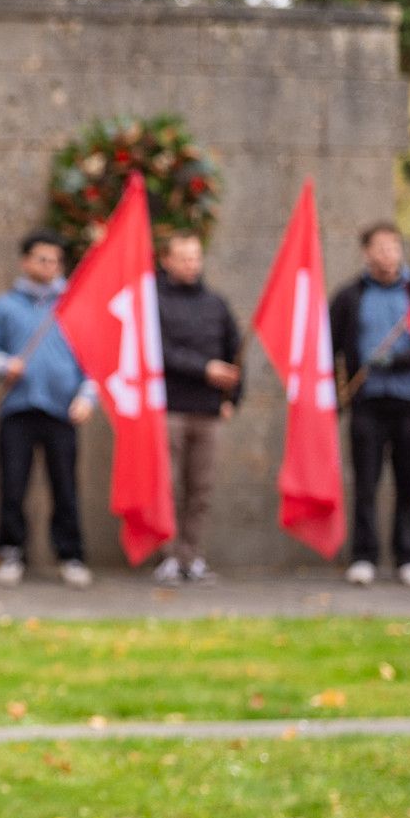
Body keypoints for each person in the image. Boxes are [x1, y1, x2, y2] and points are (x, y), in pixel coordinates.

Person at [0, 231, 98, 589]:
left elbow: (94, 358)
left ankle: (71, 555)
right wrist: (3, 365)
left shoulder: (74, 304)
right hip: (18, 409)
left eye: (55, 260)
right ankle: (11, 551)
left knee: (65, 486)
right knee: (13, 484)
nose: (49, 266)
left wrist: (87, 397)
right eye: (42, 259)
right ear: (26, 261)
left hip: (63, 411)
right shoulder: (5, 305)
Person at [329, 222, 410, 588]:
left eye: (394, 247)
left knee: (409, 483)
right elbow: (329, 346)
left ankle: (409, 556)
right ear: (367, 252)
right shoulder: (349, 297)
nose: (388, 254)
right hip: (367, 404)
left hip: (409, 403)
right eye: (381, 248)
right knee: (366, 483)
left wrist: (398, 361)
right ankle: (363, 556)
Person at [152, 233, 243, 584]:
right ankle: (168, 556)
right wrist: (204, 368)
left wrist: (232, 398)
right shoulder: (156, 302)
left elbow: (234, 350)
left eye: (196, 257)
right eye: (184, 257)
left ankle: (191, 555)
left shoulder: (216, 304)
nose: (191, 264)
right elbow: (160, 351)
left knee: (200, 489)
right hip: (170, 409)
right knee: (168, 487)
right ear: (167, 260)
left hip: (208, 411)